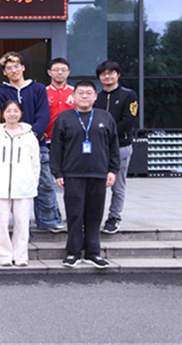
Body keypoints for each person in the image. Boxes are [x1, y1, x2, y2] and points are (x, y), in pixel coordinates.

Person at [51, 80, 120, 269]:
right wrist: (57, 172)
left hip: (98, 173)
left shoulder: (105, 117)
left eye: (88, 93)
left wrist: (113, 170)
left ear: (95, 97)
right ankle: (73, 252)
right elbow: (56, 148)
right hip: (73, 173)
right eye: (80, 93)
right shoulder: (64, 117)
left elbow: (113, 146)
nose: (84, 96)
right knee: (74, 215)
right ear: (73, 96)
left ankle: (93, 253)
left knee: (94, 214)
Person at [0, 52, 65, 233]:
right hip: (11, 145)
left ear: (23, 67)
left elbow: (44, 115)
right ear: (4, 72)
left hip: (36, 143)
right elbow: (2, 118)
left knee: (44, 182)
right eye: (9, 68)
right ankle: (14, 221)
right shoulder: (1, 93)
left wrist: (31, 136)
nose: (14, 70)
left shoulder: (38, 88)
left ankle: (48, 220)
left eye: (17, 66)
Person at [0, 100, 40, 267]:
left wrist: (33, 182)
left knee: (22, 223)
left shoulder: (29, 136)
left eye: (15, 111)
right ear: (3, 114)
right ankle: (4, 255)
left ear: (21, 113)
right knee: (1, 224)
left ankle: (20, 255)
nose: (12, 114)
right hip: (0, 186)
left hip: (23, 186)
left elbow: (35, 163)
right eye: (8, 111)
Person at [94, 60, 138, 235]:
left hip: (120, 146)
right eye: (103, 74)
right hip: (98, 149)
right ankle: (93, 217)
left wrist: (107, 134)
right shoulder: (97, 97)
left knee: (118, 185)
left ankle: (114, 217)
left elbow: (128, 121)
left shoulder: (129, 95)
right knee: (96, 185)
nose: (107, 76)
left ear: (118, 75)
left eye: (111, 73)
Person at [45, 57, 75, 143]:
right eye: (56, 70)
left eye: (64, 70)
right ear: (49, 72)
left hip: (72, 139)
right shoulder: (43, 92)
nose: (60, 72)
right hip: (48, 140)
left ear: (68, 73)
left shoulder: (75, 92)